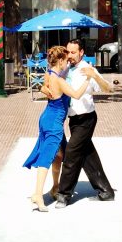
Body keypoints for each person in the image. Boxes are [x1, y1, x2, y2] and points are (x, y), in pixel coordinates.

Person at [22, 45, 93, 212]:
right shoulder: (59, 81)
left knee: (59, 155)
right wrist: (89, 79)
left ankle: (55, 187)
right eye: (66, 61)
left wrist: (43, 88)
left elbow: (43, 85)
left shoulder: (49, 74)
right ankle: (38, 195)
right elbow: (76, 94)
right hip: (54, 123)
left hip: (46, 118)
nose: (68, 63)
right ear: (60, 60)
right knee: (47, 157)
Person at [53, 39, 116, 208]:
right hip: (73, 119)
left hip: (86, 118)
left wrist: (94, 76)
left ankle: (64, 194)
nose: (70, 55)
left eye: (73, 52)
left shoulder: (88, 69)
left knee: (72, 153)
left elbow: (108, 89)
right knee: (87, 155)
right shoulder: (65, 69)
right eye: (68, 52)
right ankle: (106, 191)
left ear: (81, 52)